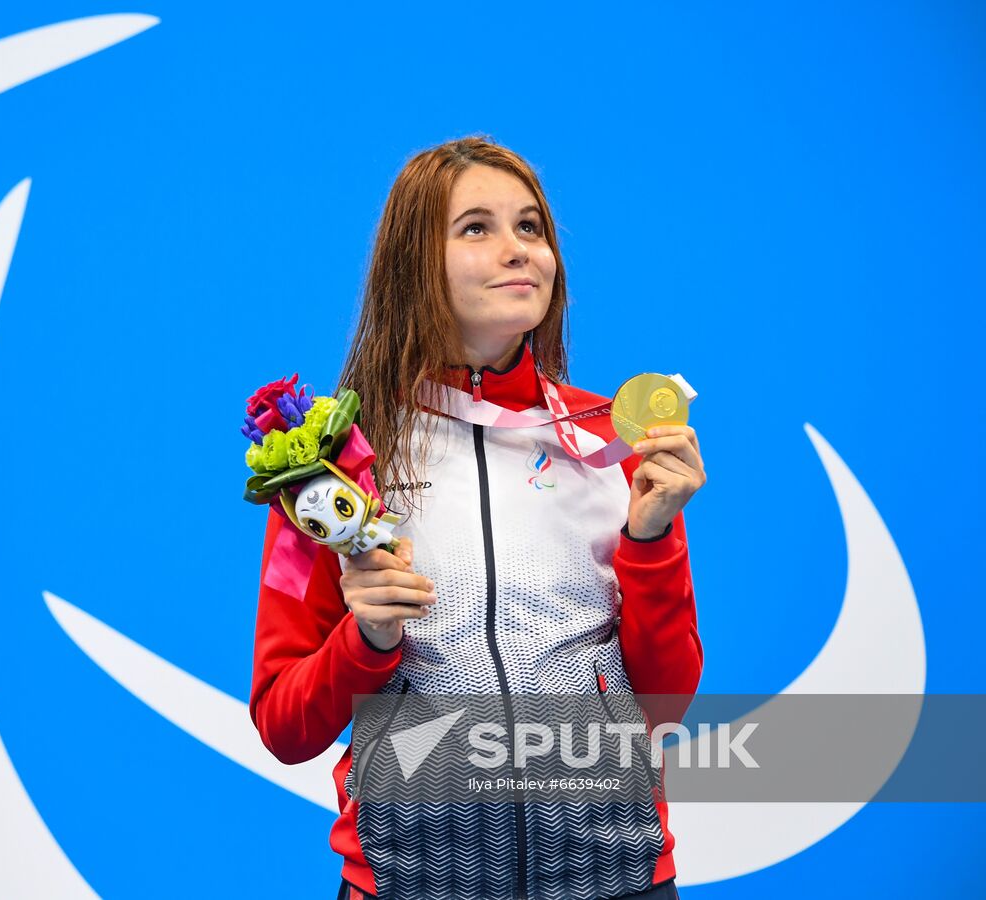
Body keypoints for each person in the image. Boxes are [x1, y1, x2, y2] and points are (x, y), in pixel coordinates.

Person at [249, 136, 706, 900]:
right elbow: (283, 723)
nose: (518, 250)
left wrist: (651, 541)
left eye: (531, 227)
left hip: (614, 879)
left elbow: (666, 699)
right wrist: (365, 640)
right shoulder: (332, 466)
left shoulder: (608, 444)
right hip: (412, 883)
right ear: (414, 263)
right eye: (477, 228)